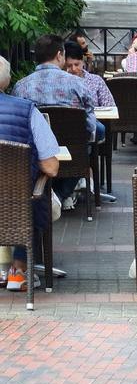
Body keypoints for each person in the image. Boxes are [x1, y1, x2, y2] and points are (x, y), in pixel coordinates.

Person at [12, 34, 97, 206]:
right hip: (74, 149)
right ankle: (60, 194)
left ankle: (51, 194)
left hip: (37, 153)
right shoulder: (77, 84)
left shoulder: (20, 86)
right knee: (91, 139)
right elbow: (90, 124)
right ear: (60, 55)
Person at [0, 56, 59, 291]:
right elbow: (51, 167)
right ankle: (17, 273)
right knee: (33, 198)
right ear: (7, 80)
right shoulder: (27, 111)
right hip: (16, 205)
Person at [65, 40, 115, 143]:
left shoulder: (96, 80)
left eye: (76, 64)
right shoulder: (59, 82)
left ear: (83, 62)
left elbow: (110, 106)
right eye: (69, 66)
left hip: (89, 126)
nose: (73, 69)